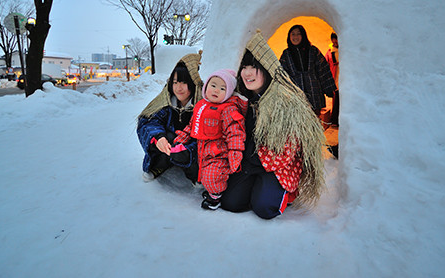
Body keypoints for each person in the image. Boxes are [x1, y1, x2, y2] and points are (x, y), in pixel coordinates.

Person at [220, 31, 326, 219]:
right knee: (231, 203)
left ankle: (284, 192)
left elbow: (286, 151)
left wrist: (250, 158)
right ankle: (256, 187)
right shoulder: (244, 100)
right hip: (250, 163)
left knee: (265, 209)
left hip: (276, 166)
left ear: (267, 68)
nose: (247, 73)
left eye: (254, 67)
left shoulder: (284, 101)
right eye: (244, 67)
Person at [174, 69, 247, 210]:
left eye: (222, 88)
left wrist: (235, 154)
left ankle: (215, 197)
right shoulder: (201, 105)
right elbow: (192, 125)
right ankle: (212, 190)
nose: (216, 90)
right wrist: (181, 138)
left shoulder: (228, 110)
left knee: (212, 175)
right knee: (203, 173)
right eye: (213, 85)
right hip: (203, 151)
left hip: (219, 154)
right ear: (206, 86)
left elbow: (235, 134)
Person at [137, 53, 204, 184]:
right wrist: (158, 137)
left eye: (184, 82)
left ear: (192, 84)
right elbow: (148, 121)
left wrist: (189, 151)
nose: (179, 88)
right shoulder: (166, 104)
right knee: (163, 136)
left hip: (189, 150)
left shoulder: (201, 107)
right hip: (169, 147)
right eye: (175, 82)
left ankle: (194, 175)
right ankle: (160, 164)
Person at [279, 24, 337, 115]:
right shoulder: (286, 54)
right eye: (293, 34)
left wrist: (329, 89)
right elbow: (282, 75)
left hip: (314, 93)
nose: (295, 37)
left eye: (298, 34)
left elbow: (323, 70)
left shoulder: (313, 51)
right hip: (297, 97)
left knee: (314, 122)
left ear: (303, 35)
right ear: (289, 37)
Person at [325, 32, 340, 127]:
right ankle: (335, 119)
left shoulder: (345, 49)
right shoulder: (330, 51)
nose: (335, 43)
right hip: (335, 75)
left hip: (343, 75)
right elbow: (326, 64)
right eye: (333, 42)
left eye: (336, 42)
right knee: (336, 96)